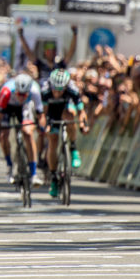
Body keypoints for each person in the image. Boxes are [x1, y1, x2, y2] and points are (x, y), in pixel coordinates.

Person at [41, 69, 89, 198]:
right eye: (55, 89)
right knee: (52, 140)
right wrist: (45, 125)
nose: (57, 93)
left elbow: (81, 111)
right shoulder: (45, 91)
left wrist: (83, 124)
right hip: (51, 112)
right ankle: (53, 178)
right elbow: (43, 114)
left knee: (70, 116)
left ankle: (73, 148)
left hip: (66, 108)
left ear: (66, 86)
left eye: (60, 90)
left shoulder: (72, 89)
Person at [0, 73, 46, 186]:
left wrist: (41, 129)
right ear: (15, 91)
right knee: (4, 135)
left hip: (24, 108)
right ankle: (9, 166)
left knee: (28, 133)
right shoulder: (6, 92)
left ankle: (34, 174)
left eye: (24, 95)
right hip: (8, 107)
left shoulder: (35, 91)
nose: (21, 97)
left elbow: (41, 115)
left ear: (28, 92)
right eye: (19, 94)